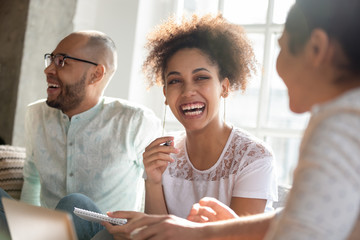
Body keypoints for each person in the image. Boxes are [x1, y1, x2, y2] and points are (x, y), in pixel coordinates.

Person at [101, 0, 360, 239]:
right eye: (175, 80)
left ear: (317, 48)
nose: (277, 65)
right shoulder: (345, 118)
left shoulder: (340, 124)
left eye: (280, 47)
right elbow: (296, 219)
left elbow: (301, 232)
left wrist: (203, 233)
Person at [91, 13, 277, 240]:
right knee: (82, 210)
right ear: (166, 95)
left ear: (224, 87)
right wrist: (153, 181)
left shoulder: (254, 157)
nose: (188, 91)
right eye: (175, 81)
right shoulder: (165, 154)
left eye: (201, 78)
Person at [0, 30, 162, 240]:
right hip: (44, 233)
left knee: (75, 204)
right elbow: (32, 180)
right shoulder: (36, 114)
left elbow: (160, 189)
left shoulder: (136, 121)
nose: (48, 69)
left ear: (96, 74)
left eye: (62, 61)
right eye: (51, 59)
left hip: (105, 235)